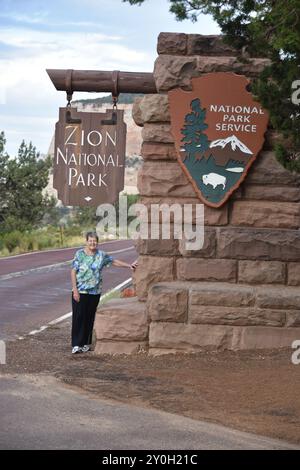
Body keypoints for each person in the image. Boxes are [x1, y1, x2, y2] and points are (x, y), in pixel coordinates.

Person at [71, 231, 136, 354]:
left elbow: (114, 261)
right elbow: (73, 271)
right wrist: (75, 290)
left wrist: (129, 266)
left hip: (95, 292)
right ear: (86, 242)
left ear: (97, 242)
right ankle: (76, 344)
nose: (92, 243)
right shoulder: (79, 254)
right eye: (90, 241)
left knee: (90, 317)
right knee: (79, 317)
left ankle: (85, 343)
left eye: (94, 241)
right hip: (81, 290)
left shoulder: (101, 255)